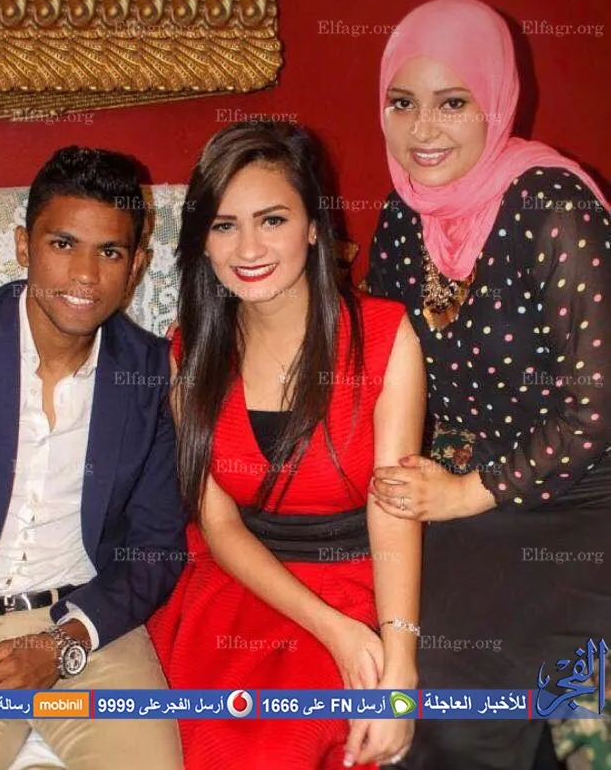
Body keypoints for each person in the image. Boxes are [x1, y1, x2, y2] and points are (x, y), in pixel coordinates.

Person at [367, 0, 610, 770]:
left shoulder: (552, 206)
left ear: (495, 102)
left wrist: (465, 495)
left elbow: (596, 410)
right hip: (467, 490)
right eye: (402, 103)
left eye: (452, 103)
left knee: (467, 720)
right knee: (411, 687)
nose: (422, 130)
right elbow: (380, 363)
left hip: (583, 498)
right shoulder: (403, 215)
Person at [147, 121, 426, 769]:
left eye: (272, 219)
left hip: (357, 578)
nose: (248, 248)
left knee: (289, 744)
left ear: (313, 227)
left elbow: (394, 510)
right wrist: (330, 629)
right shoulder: (189, 350)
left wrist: (399, 666)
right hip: (240, 582)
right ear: (203, 241)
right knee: (202, 743)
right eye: (224, 225)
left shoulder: (385, 336)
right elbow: (218, 523)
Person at [0, 147, 187, 769]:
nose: (85, 275)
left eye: (110, 252)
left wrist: (64, 642)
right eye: (63, 244)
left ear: (137, 266)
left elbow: (157, 544)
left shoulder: (146, 371)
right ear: (22, 246)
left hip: (85, 630)